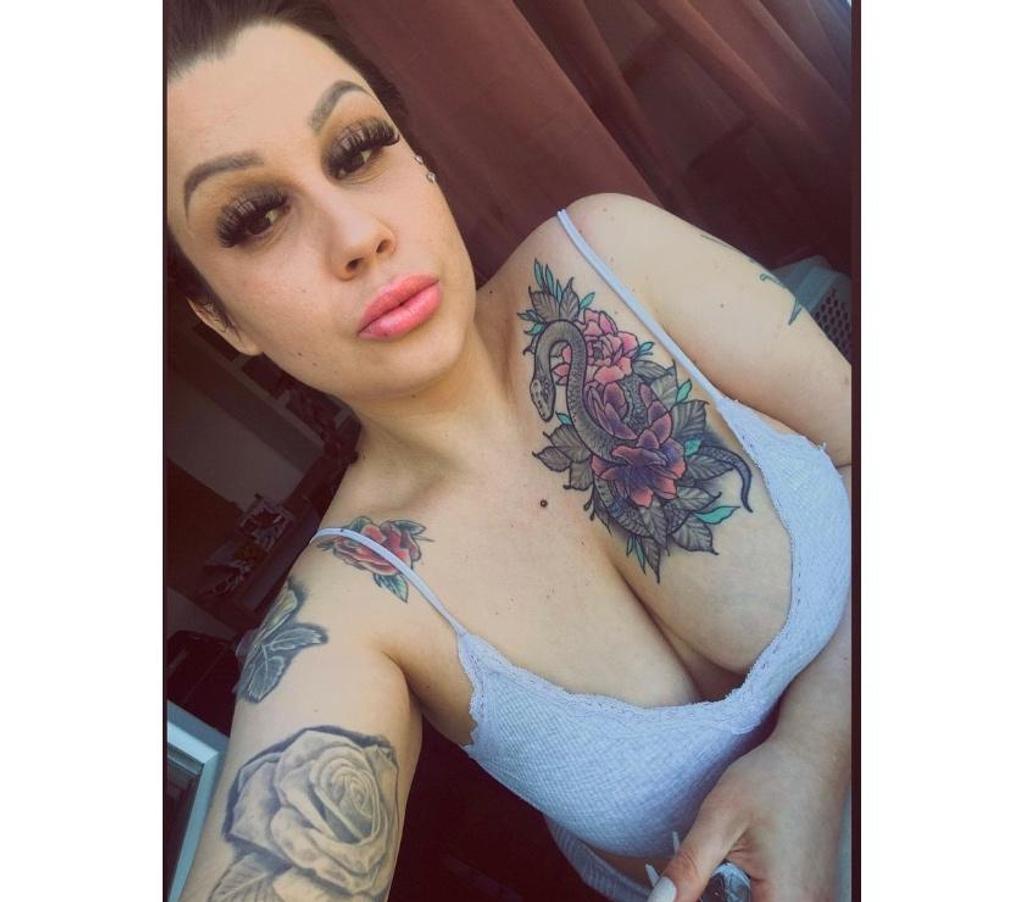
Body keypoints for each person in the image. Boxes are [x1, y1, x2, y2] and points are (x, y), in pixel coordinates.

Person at [166, 2, 852, 899]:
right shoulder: (351, 607)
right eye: (257, 216)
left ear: (421, 161)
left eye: (358, 149)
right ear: (222, 319)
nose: (357, 236)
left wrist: (815, 750)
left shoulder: (615, 256)